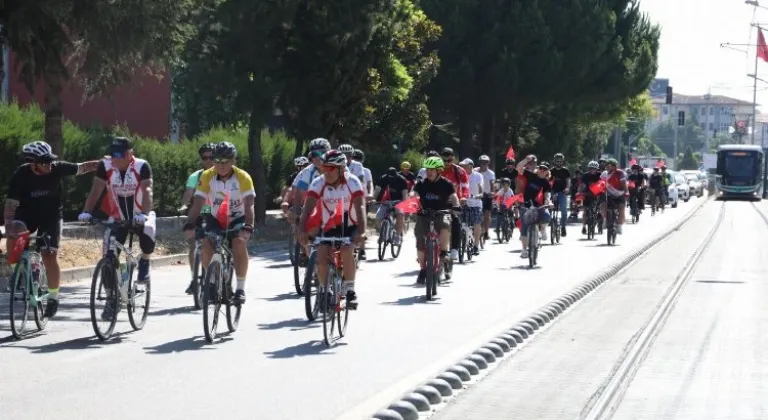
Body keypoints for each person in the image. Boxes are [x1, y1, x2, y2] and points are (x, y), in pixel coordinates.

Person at [4, 141, 99, 318]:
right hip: (27, 214)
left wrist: (103, 164)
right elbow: (11, 204)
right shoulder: (21, 174)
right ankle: (17, 270)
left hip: (51, 216)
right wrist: (9, 225)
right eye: (43, 162)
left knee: (49, 253)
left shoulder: (57, 168)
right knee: (14, 234)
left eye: (49, 161)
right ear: (33, 163)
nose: (48, 165)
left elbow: (82, 167)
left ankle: (54, 297)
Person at [79, 137, 155, 319]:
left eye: (120, 154)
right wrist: (86, 212)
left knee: (148, 233)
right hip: (117, 217)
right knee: (108, 258)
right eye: (113, 154)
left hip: (139, 214)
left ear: (130, 154)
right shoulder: (105, 166)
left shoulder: (142, 166)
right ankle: (111, 300)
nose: (116, 158)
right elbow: (96, 190)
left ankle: (145, 261)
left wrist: (143, 214)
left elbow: (147, 191)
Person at [184, 141, 255, 305]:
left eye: (225, 161)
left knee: (238, 243)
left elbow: (249, 204)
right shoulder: (207, 175)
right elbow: (199, 202)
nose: (221, 165)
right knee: (207, 244)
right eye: (217, 161)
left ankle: (240, 288)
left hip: (238, 217)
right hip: (215, 216)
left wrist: (249, 226)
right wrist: (190, 223)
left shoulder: (243, 177)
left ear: (233, 161)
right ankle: (212, 282)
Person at [298, 150, 366, 309]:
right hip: (328, 224)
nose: (326, 171)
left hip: (350, 223)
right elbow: (307, 210)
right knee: (321, 256)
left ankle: (350, 290)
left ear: (341, 169)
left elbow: (361, 206)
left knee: (346, 249)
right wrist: (301, 230)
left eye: (331, 168)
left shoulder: (353, 182)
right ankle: (325, 290)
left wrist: (361, 231)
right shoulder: (318, 182)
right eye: (324, 167)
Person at [411, 156, 459, 285]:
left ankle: (443, 253)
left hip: (442, 212)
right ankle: (422, 269)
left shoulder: (446, 184)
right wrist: (412, 202)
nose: (429, 172)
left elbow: (454, 196)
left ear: (439, 171)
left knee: (445, 223)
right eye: (427, 169)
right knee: (420, 240)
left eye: (432, 169)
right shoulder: (421, 184)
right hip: (424, 214)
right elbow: (414, 194)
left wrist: (456, 206)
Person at [179, 143, 215, 294]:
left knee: (215, 242)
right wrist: (183, 206)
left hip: (217, 213)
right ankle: (195, 279)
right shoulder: (196, 176)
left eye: (211, 157)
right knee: (193, 245)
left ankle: (218, 274)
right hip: (199, 213)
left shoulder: (221, 174)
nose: (208, 161)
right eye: (204, 158)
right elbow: (188, 194)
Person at [287, 138, 331, 261]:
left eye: (321, 153)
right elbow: (299, 195)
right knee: (304, 230)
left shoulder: (339, 167)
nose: (317, 157)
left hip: (335, 204)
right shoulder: (307, 172)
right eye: (314, 154)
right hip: (315, 208)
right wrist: (295, 212)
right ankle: (311, 259)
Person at [515, 156, 552, 259]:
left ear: (546, 172)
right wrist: (527, 159)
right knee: (525, 226)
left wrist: (548, 202)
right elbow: (518, 168)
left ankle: (542, 229)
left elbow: (547, 195)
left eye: (544, 169)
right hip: (526, 204)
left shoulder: (546, 183)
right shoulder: (531, 176)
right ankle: (524, 250)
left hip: (539, 205)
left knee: (547, 216)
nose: (542, 170)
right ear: (538, 169)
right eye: (541, 168)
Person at [438, 148, 469, 261]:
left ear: (453, 159)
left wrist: (464, 197)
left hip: (456, 200)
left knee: (455, 220)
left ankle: (455, 248)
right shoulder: (437, 170)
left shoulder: (459, 171)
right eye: (444, 160)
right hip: (439, 201)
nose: (446, 163)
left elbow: (465, 187)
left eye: (449, 160)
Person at [373, 167, 409, 244]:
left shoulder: (402, 180)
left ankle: (397, 236)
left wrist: (403, 204)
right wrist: (374, 199)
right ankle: (382, 234)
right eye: (390, 177)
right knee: (378, 216)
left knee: (400, 215)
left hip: (398, 201)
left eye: (393, 177)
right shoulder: (383, 178)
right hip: (386, 201)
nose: (391, 179)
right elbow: (377, 190)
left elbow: (405, 195)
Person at [460, 158, 483, 255]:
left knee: (476, 223)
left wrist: (479, 195)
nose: (462, 167)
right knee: (458, 223)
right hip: (463, 202)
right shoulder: (461, 175)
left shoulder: (477, 176)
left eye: (464, 165)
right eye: (462, 165)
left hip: (475, 203)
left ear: (470, 166)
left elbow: (480, 186)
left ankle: (476, 246)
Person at [600, 158, 628, 234]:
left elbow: (624, 183)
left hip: (620, 194)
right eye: (607, 166)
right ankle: (605, 219)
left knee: (621, 208)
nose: (608, 167)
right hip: (609, 195)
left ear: (614, 166)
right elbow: (601, 184)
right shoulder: (604, 174)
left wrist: (626, 192)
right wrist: (600, 192)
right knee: (603, 205)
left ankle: (619, 226)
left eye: (610, 166)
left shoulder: (620, 173)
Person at [475, 154, 495, 240]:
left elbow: (492, 183)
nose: (484, 164)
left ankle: (486, 232)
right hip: (477, 195)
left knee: (487, 215)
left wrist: (492, 192)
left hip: (487, 195)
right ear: (479, 163)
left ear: (488, 163)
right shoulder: (475, 171)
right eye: (482, 162)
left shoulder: (491, 173)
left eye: (485, 163)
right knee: (477, 213)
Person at [550, 153, 570, 236]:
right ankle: (550, 222)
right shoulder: (551, 171)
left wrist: (567, 188)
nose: (559, 163)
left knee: (564, 210)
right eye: (557, 161)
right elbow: (548, 181)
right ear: (555, 161)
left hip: (562, 192)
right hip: (553, 192)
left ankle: (563, 227)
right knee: (549, 209)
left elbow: (568, 181)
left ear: (562, 162)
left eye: (560, 161)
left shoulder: (565, 171)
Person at [579, 161, 602, 234]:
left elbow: (603, 184)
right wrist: (580, 191)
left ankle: (599, 214)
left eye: (594, 169)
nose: (592, 170)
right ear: (589, 169)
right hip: (587, 193)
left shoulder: (600, 175)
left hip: (597, 193)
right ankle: (583, 227)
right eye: (591, 168)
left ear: (597, 169)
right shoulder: (585, 175)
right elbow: (582, 185)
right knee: (585, 211)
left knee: (601, 204)